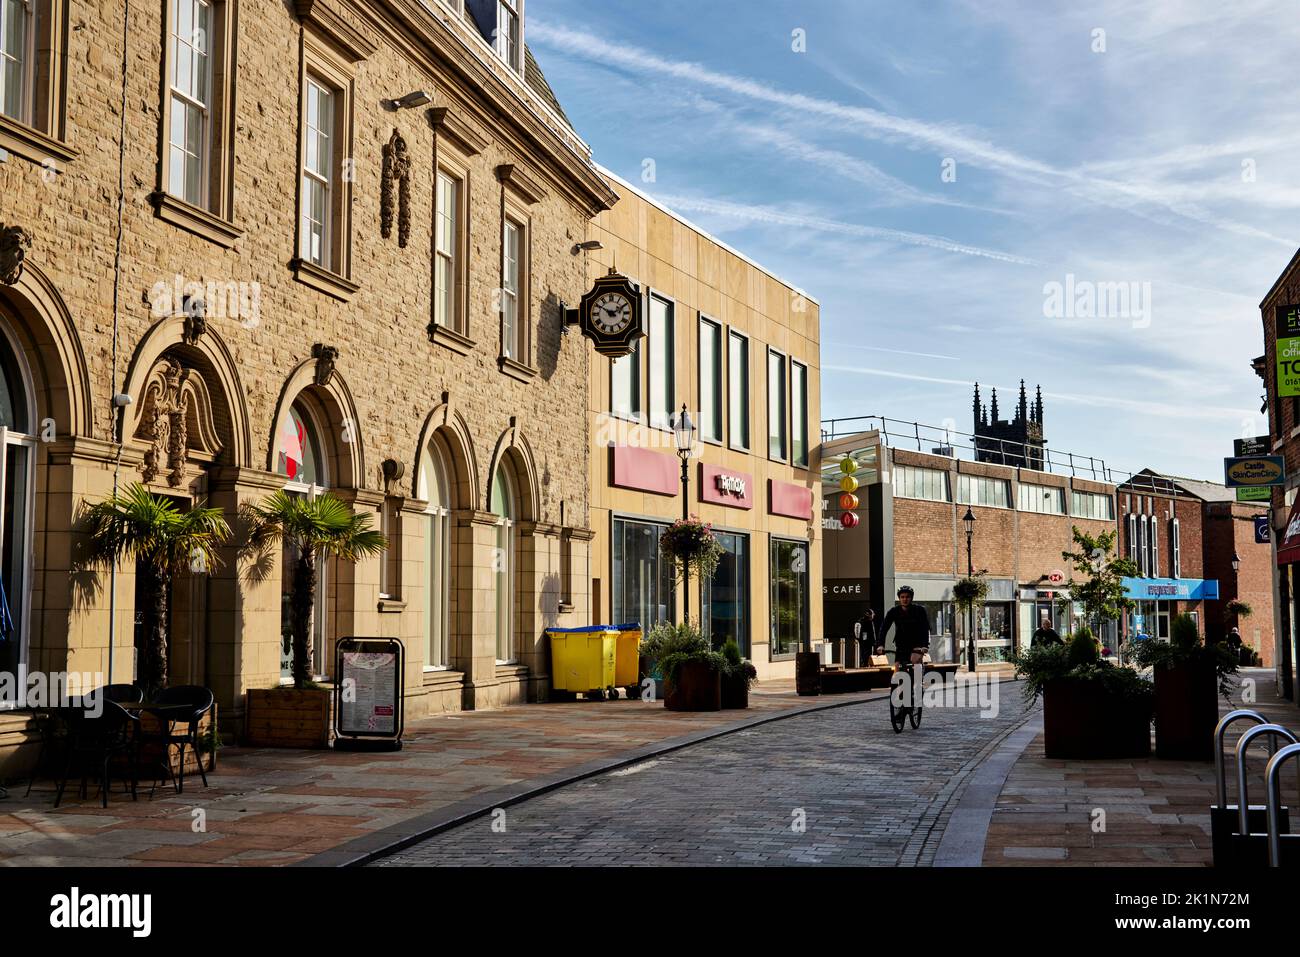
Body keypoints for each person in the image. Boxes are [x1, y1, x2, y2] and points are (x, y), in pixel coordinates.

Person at [879, 585, 931, 668]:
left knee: (915, 661)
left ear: (911, 598)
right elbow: (884, 628)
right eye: (902, 597)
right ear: (899, 598)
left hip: (917, 645)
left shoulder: (919, 610)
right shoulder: (894, 611)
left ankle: (918, 680)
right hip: (901, 645)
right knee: (897, 667)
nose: (905, 599)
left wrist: (925, 645)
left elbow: (925, 628)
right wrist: (881, 644)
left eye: (907, 597)